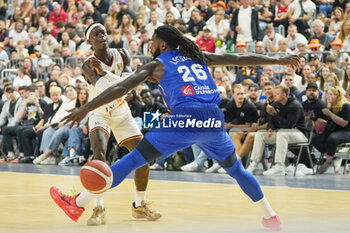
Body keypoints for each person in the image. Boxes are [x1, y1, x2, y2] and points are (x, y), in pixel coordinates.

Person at [51, 25, 301, 230]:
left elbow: (120, 88)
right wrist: (278, 59)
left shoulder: (157, 64)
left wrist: (85, 108)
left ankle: (78, 203)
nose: (149, 46)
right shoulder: (197, 56)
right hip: (213, 120)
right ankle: (271, 217)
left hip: (186, 119)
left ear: (161, 45)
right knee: (236, 170)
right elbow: (238, 58)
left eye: (152, 42)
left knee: (132, 161)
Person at [77, 23, 162, 225]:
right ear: (89, 41)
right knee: (99, 157)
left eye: (103, 33)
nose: (101, 36)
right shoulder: (87, 65)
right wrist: (118, 80)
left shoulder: (122, 53)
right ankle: (99, 208)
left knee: (144, 155)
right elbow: (106, 87)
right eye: (95, 35)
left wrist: (107, 74)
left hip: (122, 112)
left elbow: (128, 86)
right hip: (99, 113)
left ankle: (139, 205)